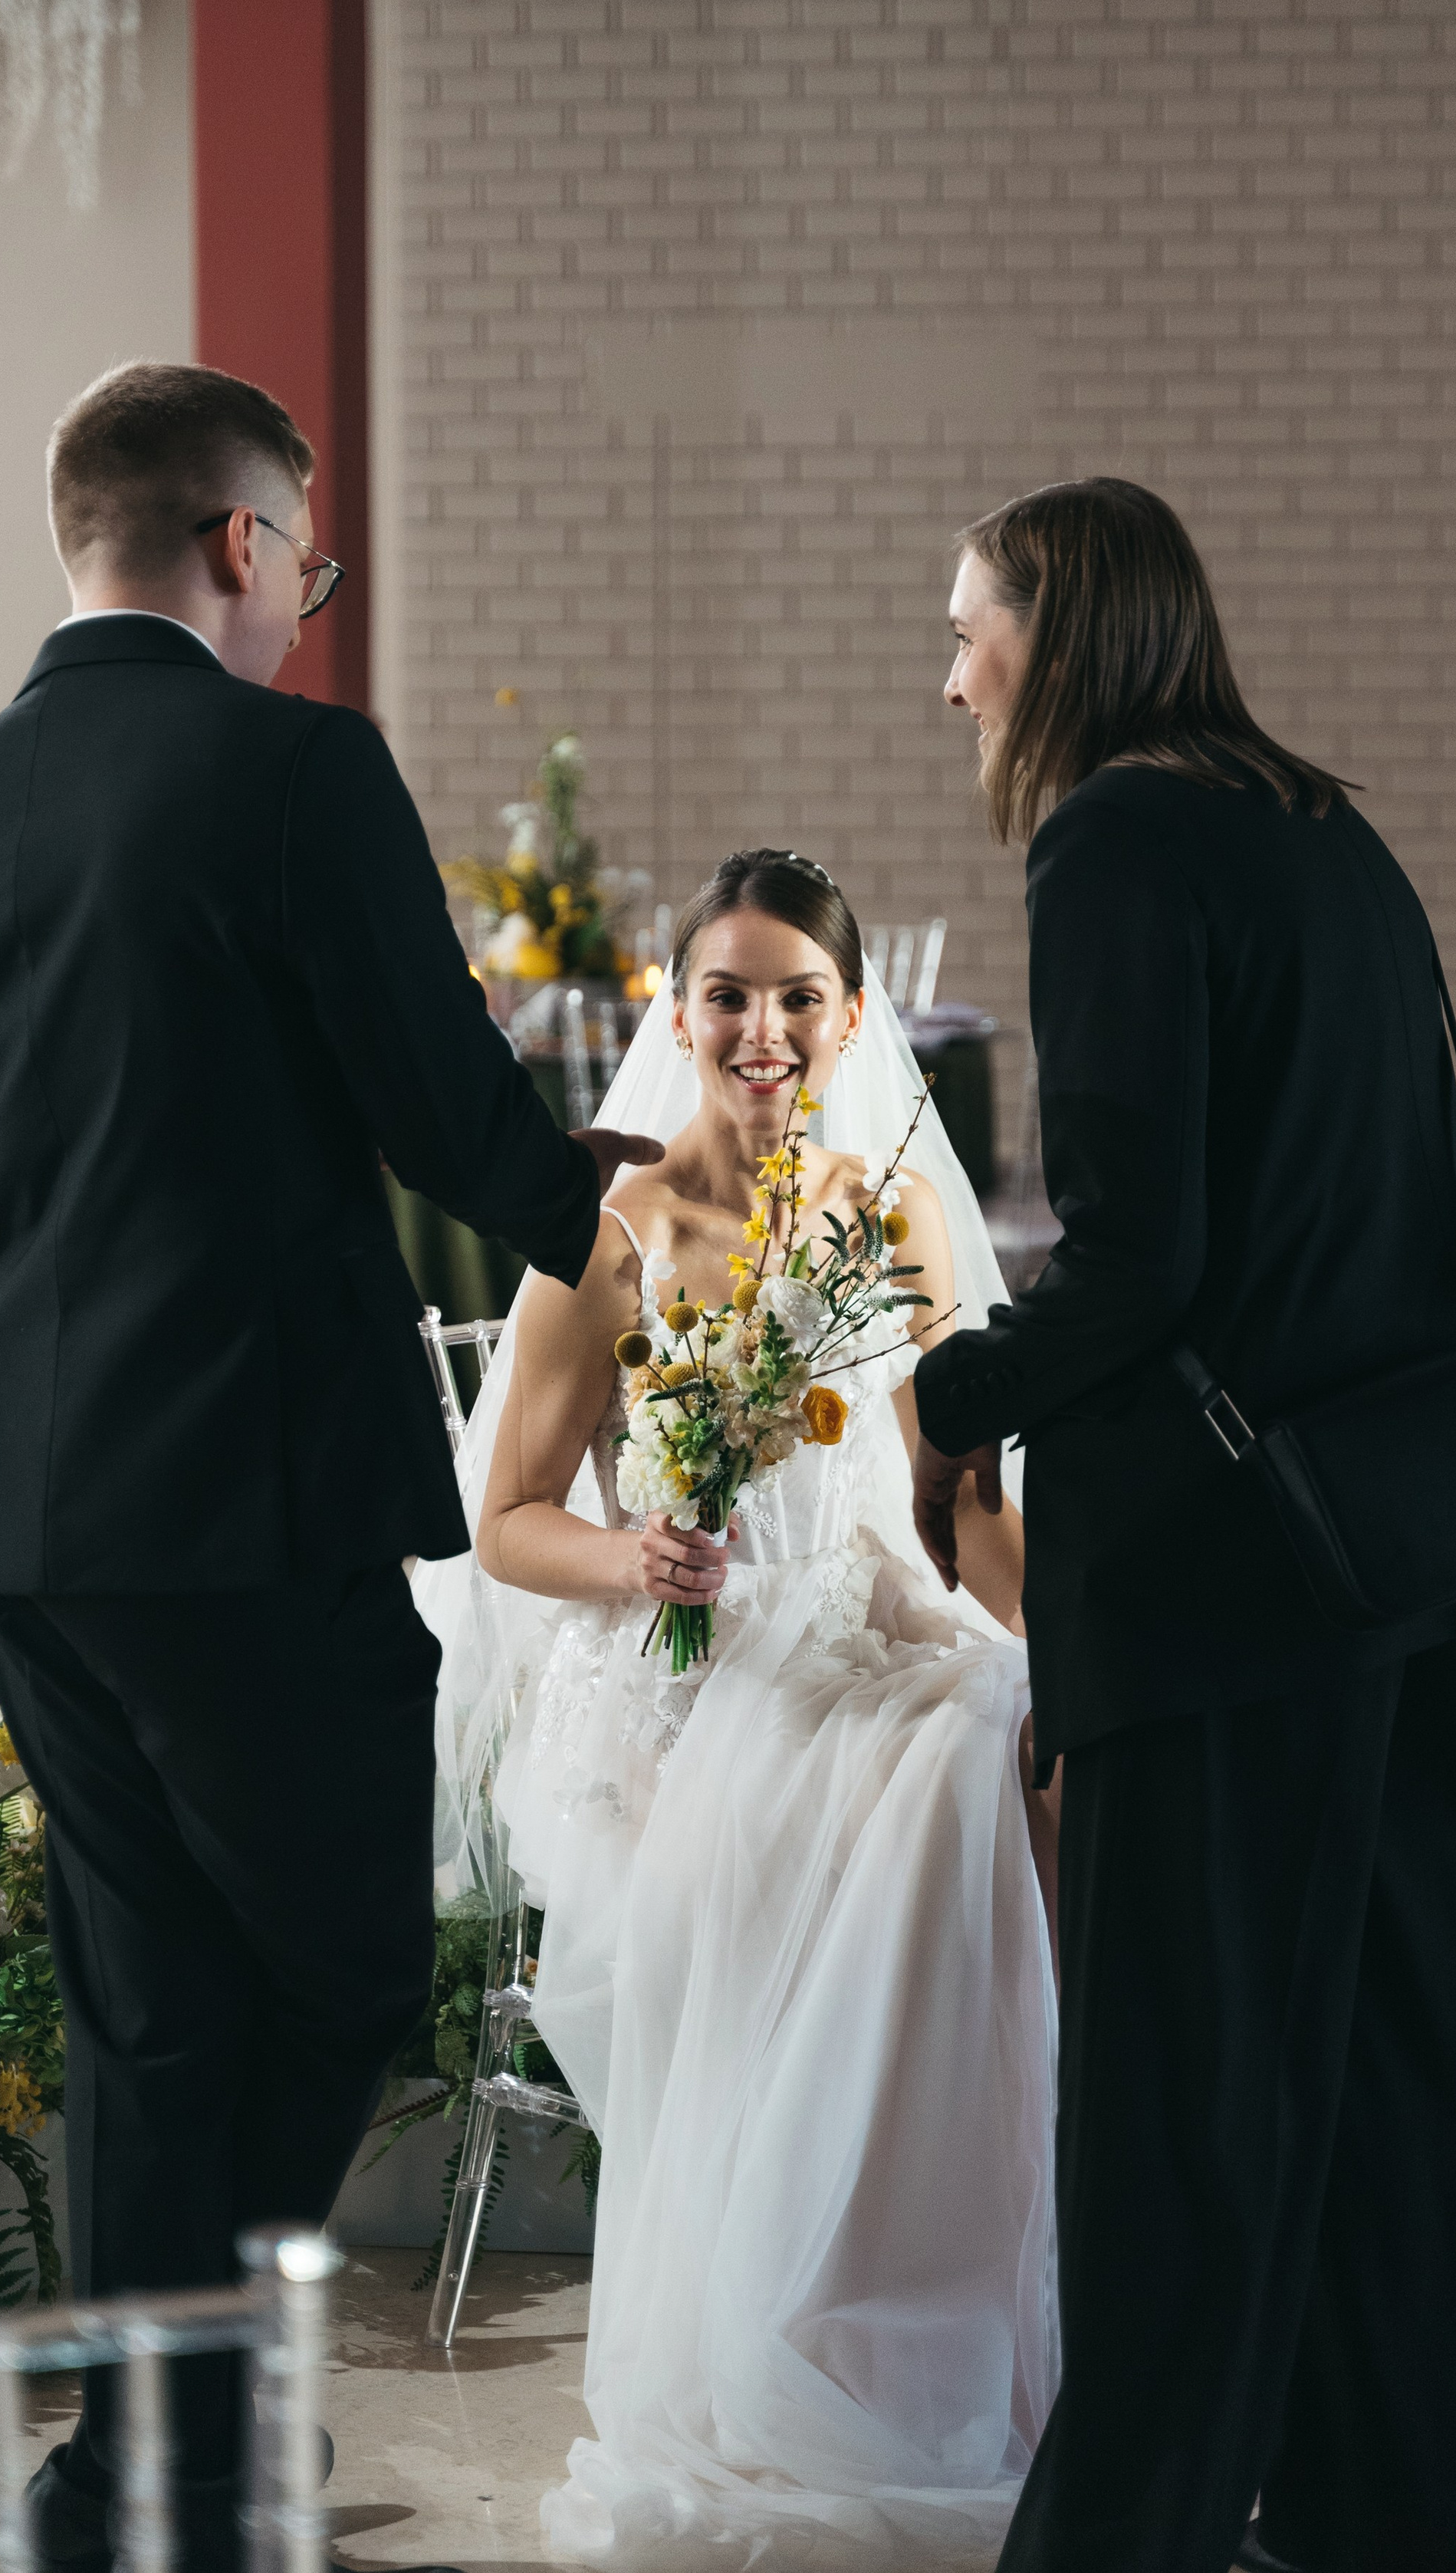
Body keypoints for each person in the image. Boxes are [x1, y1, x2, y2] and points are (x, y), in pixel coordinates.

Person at [0, 361, 659, 2573]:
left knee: (151, 2001)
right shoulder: (298, 770)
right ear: (239, 541)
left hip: (32, 1507)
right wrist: (646, 1248)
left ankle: (139, 2471)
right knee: (329, 1981)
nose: (314, 596)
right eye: (305, 548)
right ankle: (184, 2427)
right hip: (252, 1493)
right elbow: (441, 1096)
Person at [910, 478, 1456, 2573]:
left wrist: (946, 1399)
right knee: (1412, 2107)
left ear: (1068, 634)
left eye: (972, 631)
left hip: (1232, 1600)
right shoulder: (1331, 829)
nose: (951, 674)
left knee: (1183, 2134)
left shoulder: (1114, 838)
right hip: (1430, 1559)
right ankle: (1383, 2526)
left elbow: (1143, 1262)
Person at [417, 848, 1059, 2563]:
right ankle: (827, 2326)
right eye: (727, 993)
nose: (761, 1030)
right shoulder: (607, 1231)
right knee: (942, 1788)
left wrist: (1057, 1644)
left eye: (798, 998)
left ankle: (963, 2323)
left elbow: (960, 1500)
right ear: (674, 1008)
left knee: (1018, 1744)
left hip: (867, 1628)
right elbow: (507, 1519)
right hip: (673, 1681)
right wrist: (636, 1554)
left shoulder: (894, 1210)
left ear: (850, 1020)